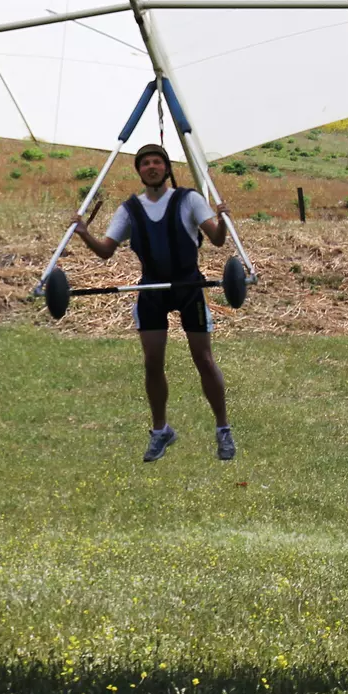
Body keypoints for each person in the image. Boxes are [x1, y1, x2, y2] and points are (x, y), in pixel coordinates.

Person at [71, 142, 238, 461]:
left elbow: (216, 239)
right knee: (152, 362)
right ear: (139, 171)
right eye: (145, 163)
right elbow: (106, 251)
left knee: (203, 358)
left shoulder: (189, 199)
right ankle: (161, 431)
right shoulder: (129, 209)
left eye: (157, 162)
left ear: (167, 168)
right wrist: (82, 233)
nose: (151, 167)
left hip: (189, 287)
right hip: (152, 290)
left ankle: (223, 430)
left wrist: (223, 220)